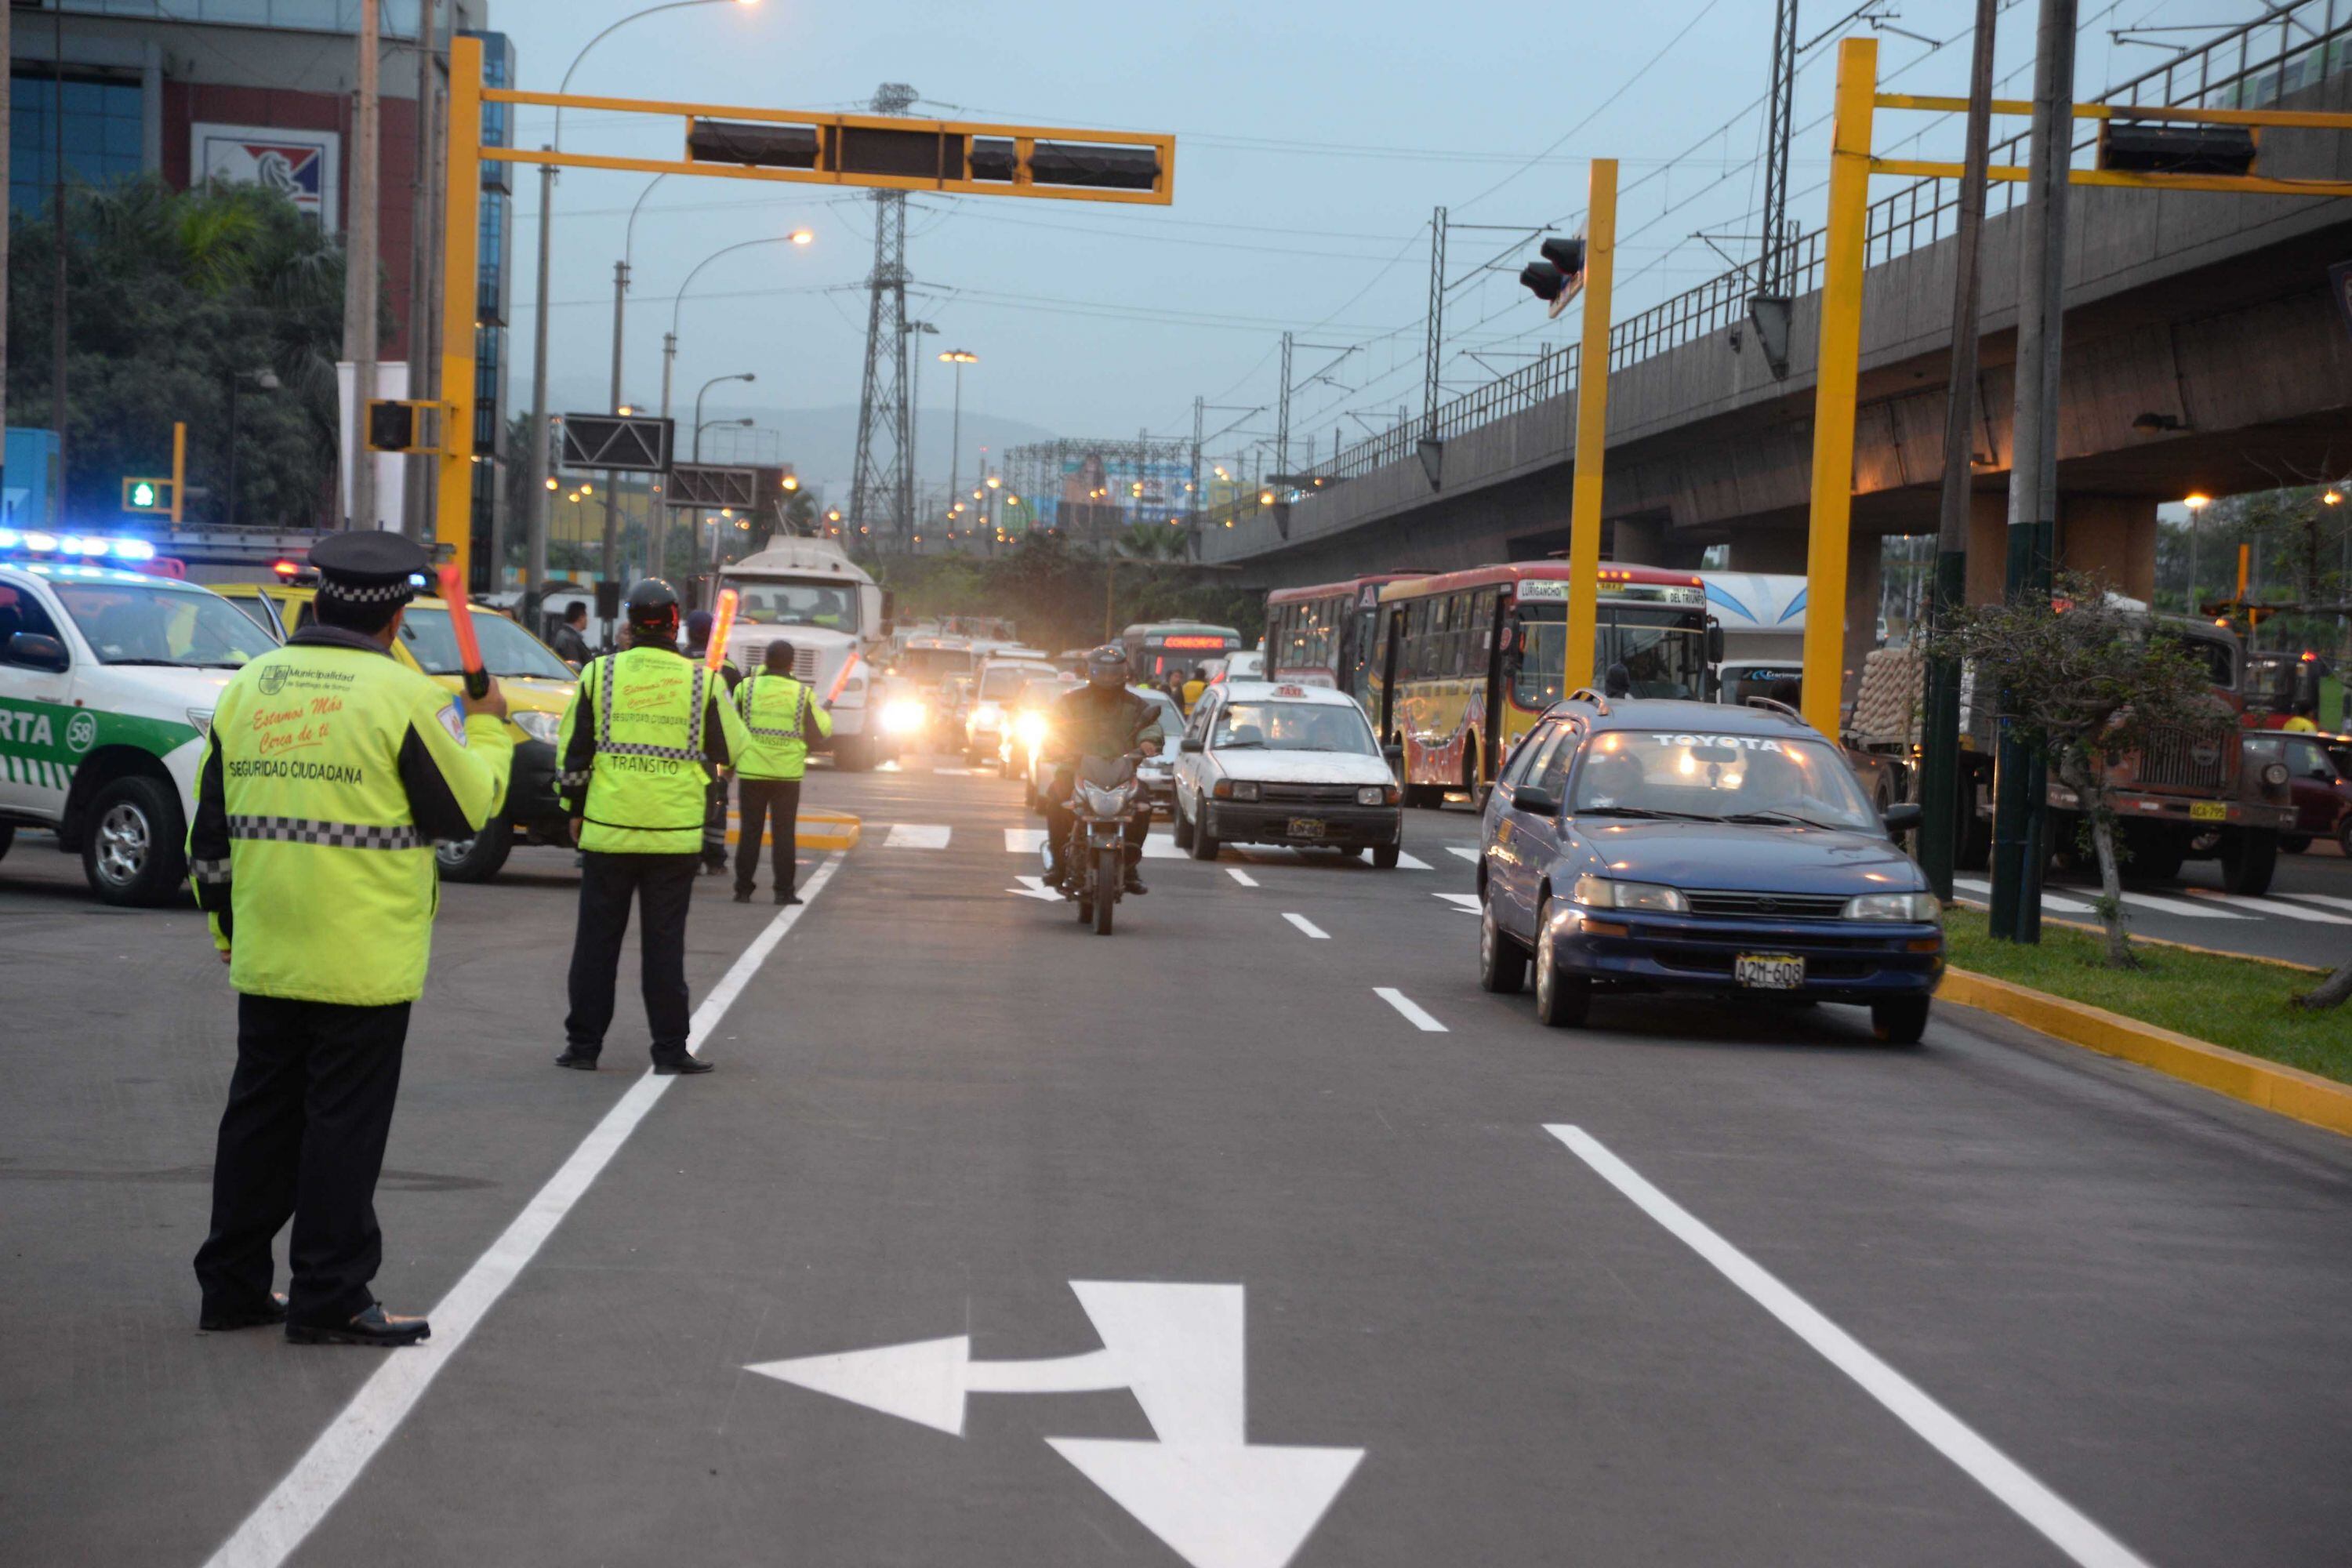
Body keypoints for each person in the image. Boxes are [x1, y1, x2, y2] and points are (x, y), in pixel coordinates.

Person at [189, 532, 512, 1348]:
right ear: (397, 615)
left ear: (318, 598)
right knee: (341, 1127)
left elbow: (212, 833)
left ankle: (230, 1284)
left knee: (258, 1117)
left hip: (267, 943)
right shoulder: (404, 696)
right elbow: (466, 807)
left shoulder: (250, 686)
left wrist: (227, 928)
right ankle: (328, 1292)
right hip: (361, 956)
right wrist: (493, 729)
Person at [555, 579, 751, 1076]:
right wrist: (705, 771)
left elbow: (573, 753)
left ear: (630, 623)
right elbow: (736, 747)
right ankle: (669, 1051)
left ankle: (583, 1048)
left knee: (596, 945)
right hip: (673, 836)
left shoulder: (599, 674)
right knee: (664, 949)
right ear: (674, 621)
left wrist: (574, 808)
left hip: (608, 831)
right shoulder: (701, 682)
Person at [1042, 645, 1160, 895]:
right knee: (1055, 799)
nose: (1108, 677)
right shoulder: (1071, 701)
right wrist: (1056, 745)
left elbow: (1150, 726)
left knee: (1143, 804)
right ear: (1090, 672)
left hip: (1121, 772)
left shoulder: (1135, 704)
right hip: (1075, 770)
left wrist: (1148, 742)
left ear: (1124, 673)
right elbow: (1054, 726)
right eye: (1101, 671)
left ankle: (1129, 867)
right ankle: (1059, 865)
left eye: (1113, 672)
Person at [733, 640, 831, 905]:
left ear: (766, 660)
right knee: (784, 833)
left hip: (752, 771)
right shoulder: (802, 693)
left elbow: (733, 726)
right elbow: (819, 732)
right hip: (786, 775)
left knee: (750, 832)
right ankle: (784, 891)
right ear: (792, 663)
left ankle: (743, 889)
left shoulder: (746, 688)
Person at [681, 608, 742, 875]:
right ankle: (715, 860)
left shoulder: (677, 662)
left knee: (687, 803)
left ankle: (690, 857)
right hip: (715, 750)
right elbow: (737, 713)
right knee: (717, 800)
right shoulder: (727, 669)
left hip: (683, 746)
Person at [548, 602, 593, 667]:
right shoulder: (568, 639)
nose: (587, 620)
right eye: (586, 616)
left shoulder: (567, 636)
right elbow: (575, 666)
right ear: (580, 618)